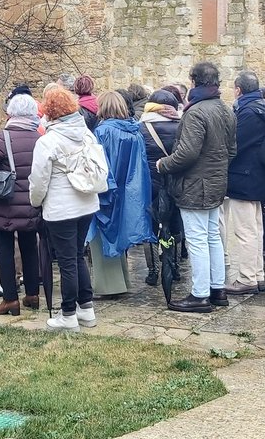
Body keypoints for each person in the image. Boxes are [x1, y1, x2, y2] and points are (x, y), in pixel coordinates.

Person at [154, 62, 237, 313]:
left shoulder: (197, 112)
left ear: (194, 82)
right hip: (216, 181)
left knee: (199, 239)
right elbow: (231, 151)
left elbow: (187, 154)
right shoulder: (226, 109)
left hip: (195, 185)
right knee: (212, 236)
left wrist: (162, 164)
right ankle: (217, 289)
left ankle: (200, 295)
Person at [29, 87, 101, 331]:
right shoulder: (87, 135)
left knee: (67, 260)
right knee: (78, 255)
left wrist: (35, 202)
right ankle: (86, 308)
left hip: (61, 208)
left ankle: (68, 313)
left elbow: (38, 180)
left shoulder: (48, 141)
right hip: (87, 204)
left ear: (49, 112)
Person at [0, 93, 43, 315]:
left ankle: (10, 299)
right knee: (30, 247)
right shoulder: (39, 137)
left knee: (4, 250)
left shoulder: (2, 138)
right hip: (31, 203)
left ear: (10, 113)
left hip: (5, 204)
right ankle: (33, 294)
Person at [90, 91, 154, 296]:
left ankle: (109, 286)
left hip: (108, 190)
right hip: (129, 191)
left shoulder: (102, 131)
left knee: (102, 238)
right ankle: (122, 281)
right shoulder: (134, 131)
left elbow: (100, 164)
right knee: (118, 239)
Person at [223, 70, 265, 296]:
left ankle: (246, 278)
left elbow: (235, 145)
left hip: (244, 176)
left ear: (238, 90)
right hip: (258, 175)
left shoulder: (247, 112)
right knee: (255, 228)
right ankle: (257, 274)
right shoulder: (263, 108)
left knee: (246, 231)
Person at [139, 88, 182, 286]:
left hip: (150, 182)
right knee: (174, 223)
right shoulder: (182, 126)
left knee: (151, 225)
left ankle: (153, 270)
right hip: (175, 181)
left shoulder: (141, 127)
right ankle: (173, 264)